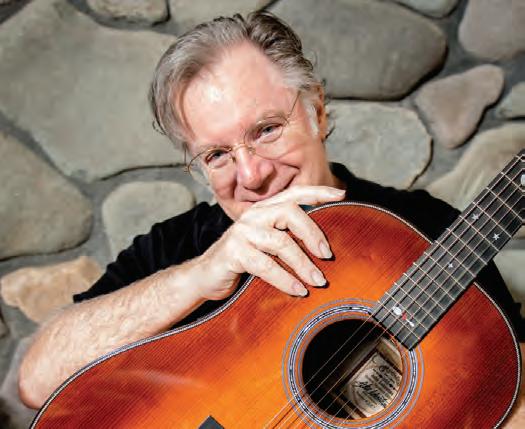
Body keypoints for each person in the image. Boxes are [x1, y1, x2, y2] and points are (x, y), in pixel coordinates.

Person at [18, 11, 523, 416]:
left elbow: (509, 399)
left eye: (266, 130)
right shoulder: (178, 248)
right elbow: (38, 382)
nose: (252, 174)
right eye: (217, 155)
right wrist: (199, 276)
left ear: (316, 111)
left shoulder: (427, 231)